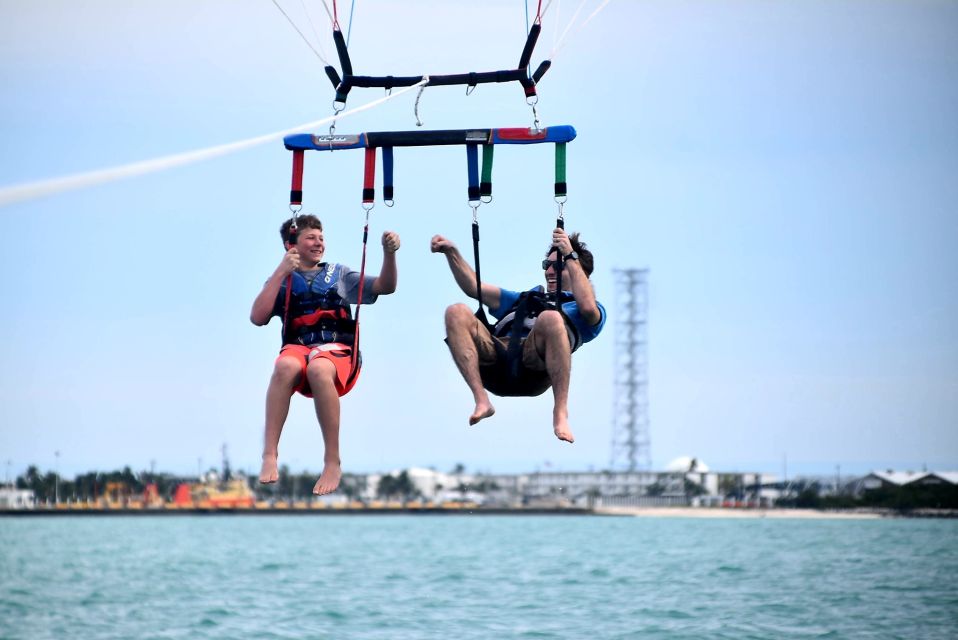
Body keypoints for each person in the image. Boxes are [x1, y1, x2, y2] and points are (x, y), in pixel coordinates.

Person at [251, 214, 400, 495]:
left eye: (321, 237)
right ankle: (269, 454)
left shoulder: (340, 275)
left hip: (337, 353)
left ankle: (332, 461)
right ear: (290, 246)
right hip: (299, 350)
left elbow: (386, 286)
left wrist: (389, 254)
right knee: (284, 366)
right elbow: (257, 317)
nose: (318, 242)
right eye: (311, 237)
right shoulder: (280, 280)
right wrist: (281, 272)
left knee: (319, 367)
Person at [431, 227, 605, 444]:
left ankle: (560, 413)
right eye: (547, 265)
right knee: (455, 311)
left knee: (550, 318)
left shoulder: (586, 310)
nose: (550, 271)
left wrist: (570, 254)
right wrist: (452, 252)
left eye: (558, 266)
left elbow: (588, 308)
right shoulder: (524, 299)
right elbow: (474, 288)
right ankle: (481, 401)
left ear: (578, 269)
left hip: (535, 367)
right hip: (496, 360)